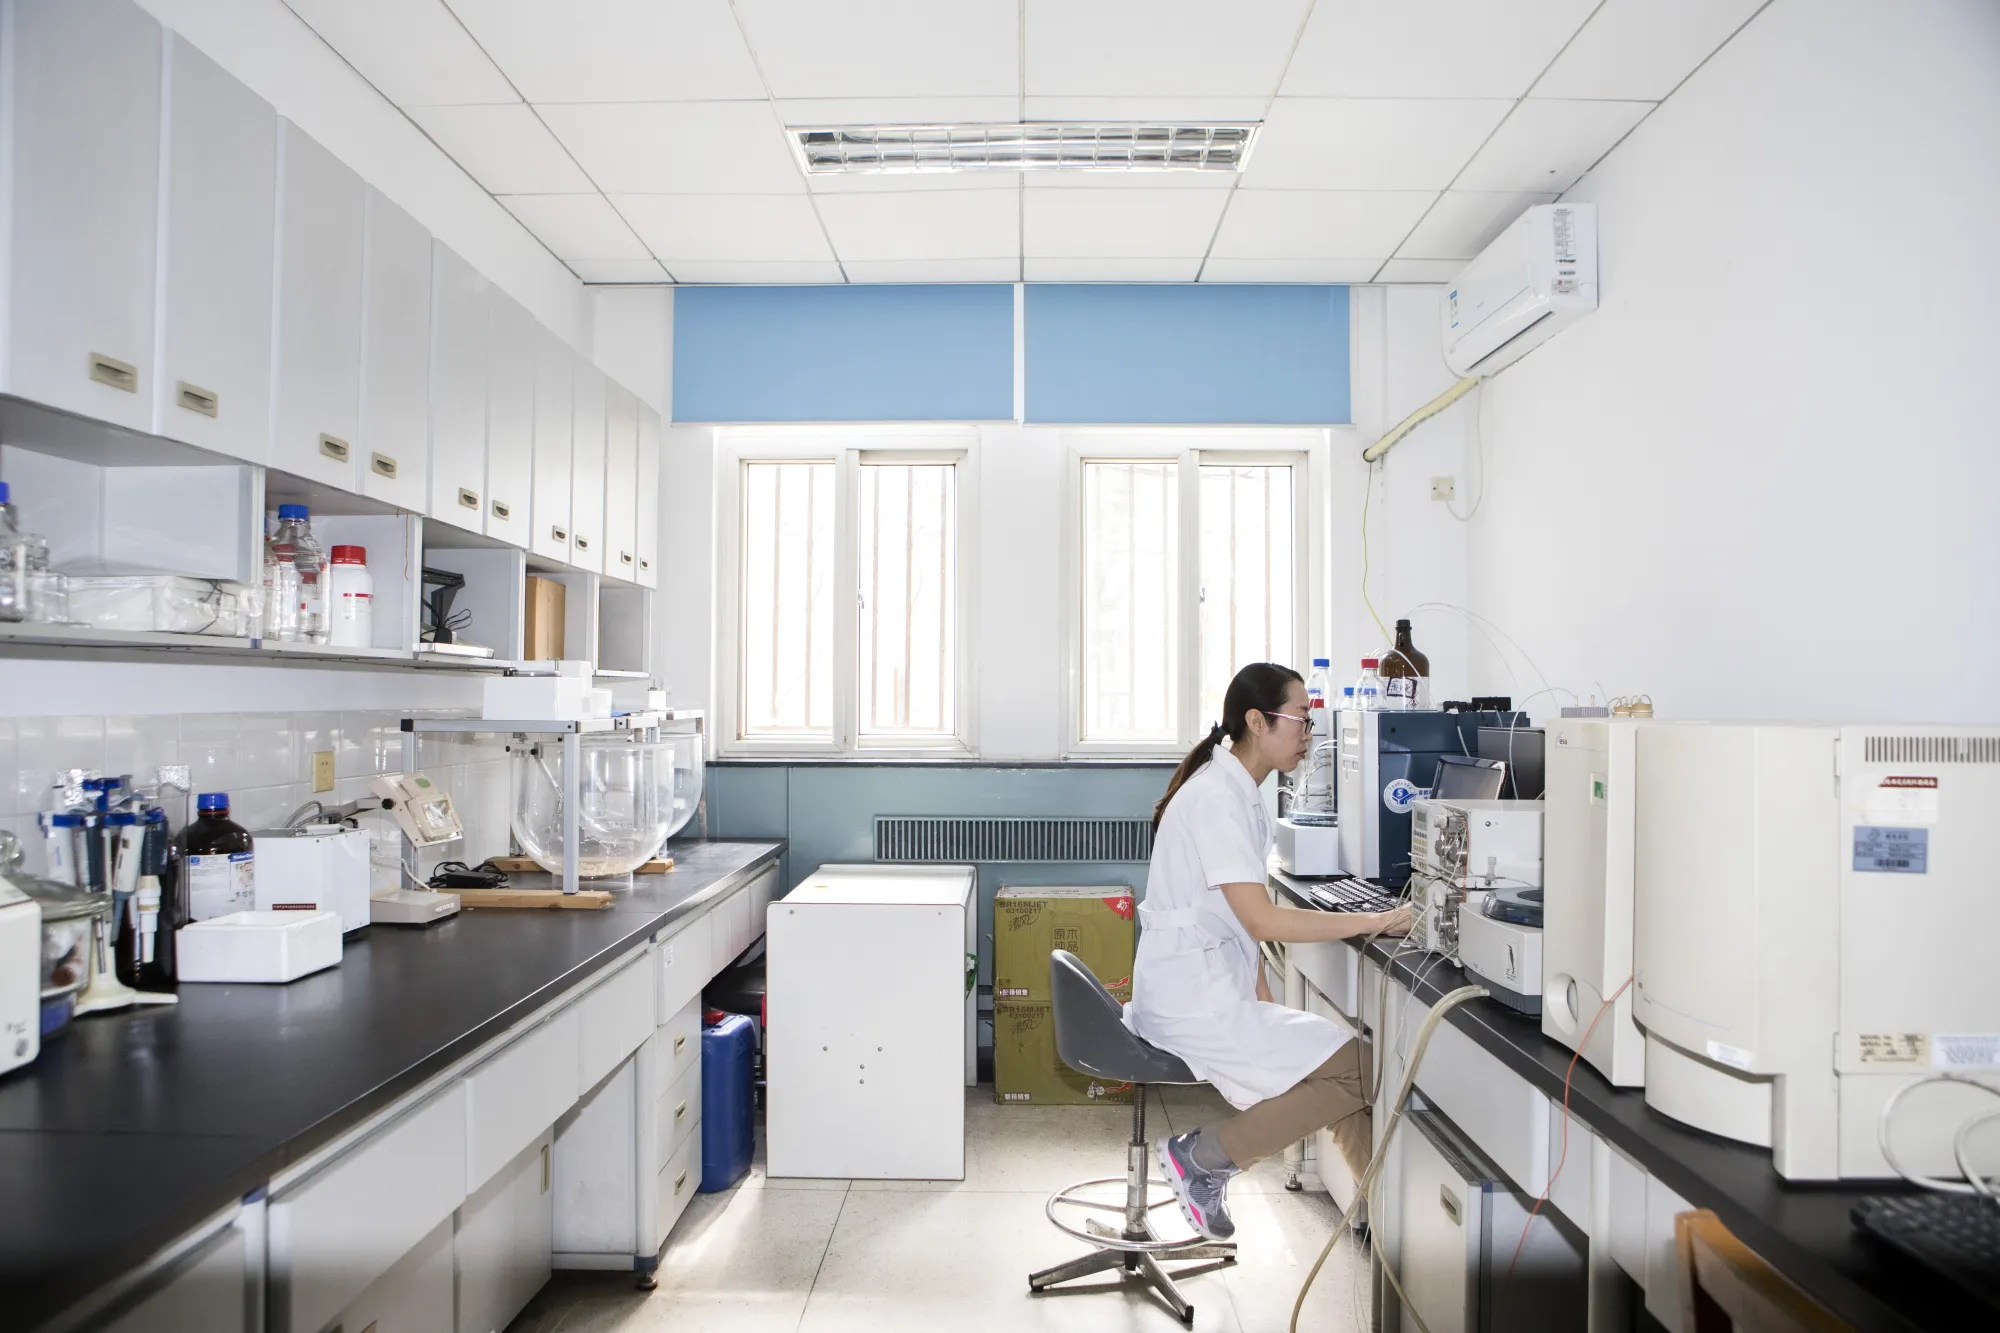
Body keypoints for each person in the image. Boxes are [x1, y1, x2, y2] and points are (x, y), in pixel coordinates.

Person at [1126, 661, 1413, 1243]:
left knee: (1353, 1079)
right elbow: (1258, 919)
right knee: (1360, 1069)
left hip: (1208, 989)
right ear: (1257, 722)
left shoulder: (1239, 792)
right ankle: (1203, 1157)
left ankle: (1390, 1240)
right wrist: (1373, 919)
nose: (1309, 732)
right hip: (1192, 999)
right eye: (1301, 718)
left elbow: (1239, 924)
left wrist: (1265, 1008)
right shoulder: (1216, 799)